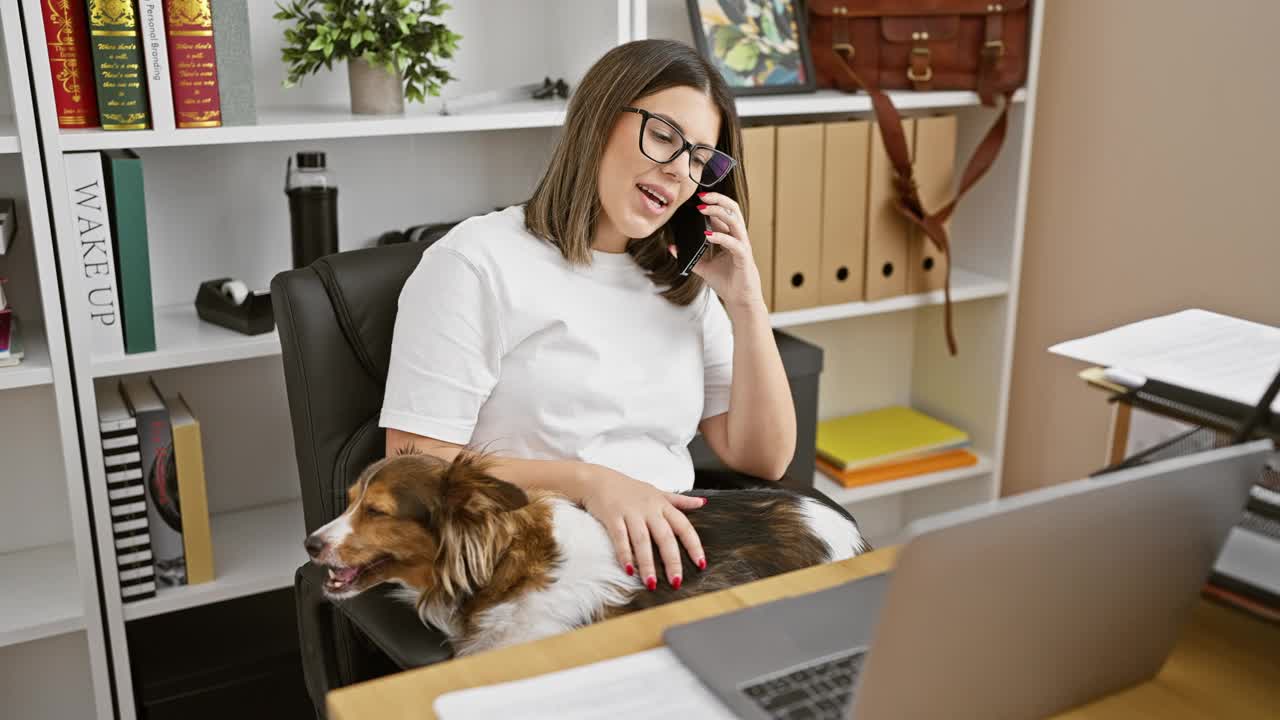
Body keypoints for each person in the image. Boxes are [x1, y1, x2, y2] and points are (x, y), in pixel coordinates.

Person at [380, 39, 796, 594]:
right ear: (599, 118)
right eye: (665, 137)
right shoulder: (475, 261)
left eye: (699, 159)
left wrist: (747, 304)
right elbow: (416, 463)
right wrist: (591, 483)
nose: (678, 172)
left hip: (669, 551)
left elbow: (763, 457)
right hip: (524, 557)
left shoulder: (681, 284)